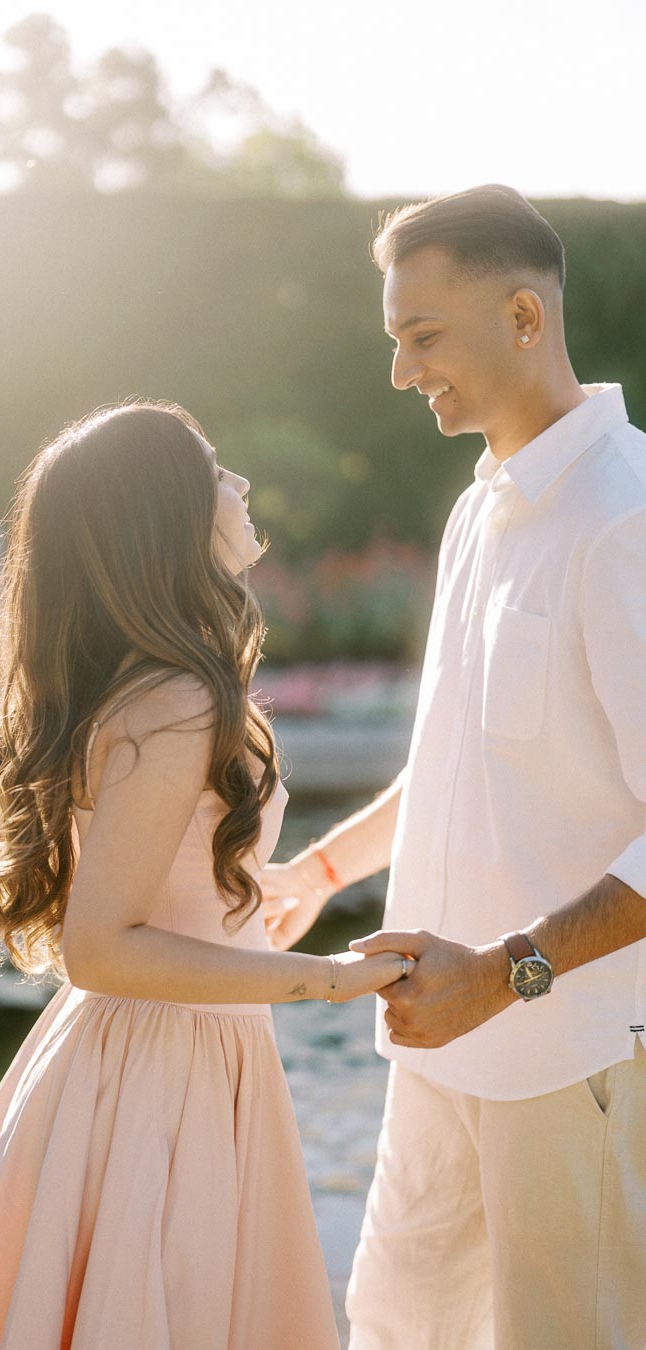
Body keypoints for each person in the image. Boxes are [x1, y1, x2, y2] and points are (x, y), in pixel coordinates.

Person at [0, 400, 407, 1350]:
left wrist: (255, 894)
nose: (236, 485)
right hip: (162, 1070)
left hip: (183, 1048)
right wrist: (325, 979)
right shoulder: (177, 700)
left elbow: (163, 880)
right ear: (167, 519)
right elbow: (101, 946)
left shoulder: (166, 685)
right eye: (213, 472)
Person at [261, 186, 646, 1349]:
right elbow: (453, 761)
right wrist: (318, 870)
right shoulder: (477, 512)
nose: (399, 371)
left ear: (525, 318)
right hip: (433, 1045)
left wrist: (503, 975)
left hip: (566, 1062)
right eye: (394, 339)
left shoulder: (625, 519)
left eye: (422, 336)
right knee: (395, 1332)